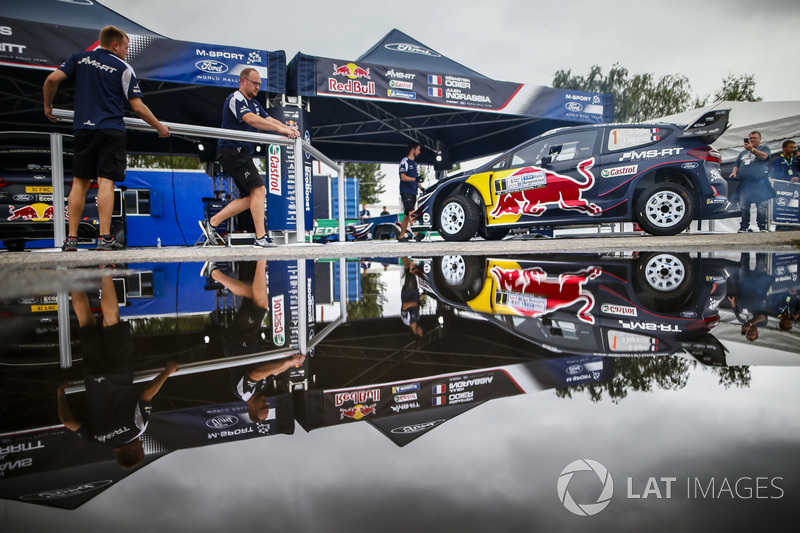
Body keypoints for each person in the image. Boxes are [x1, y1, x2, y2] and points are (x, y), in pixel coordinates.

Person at [43, 25, 170, 251]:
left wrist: (48, 105)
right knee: (106, 182)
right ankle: (104, 237)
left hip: (83, 129)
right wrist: (159, 125)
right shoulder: (123, 67)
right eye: (126, 47)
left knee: (79, 183)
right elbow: (138, 107)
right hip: (110, 130)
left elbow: (52, 80)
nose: (127, 52)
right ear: (115, 45)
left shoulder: (79, 59)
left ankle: (71, 238)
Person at [56, 275, 178, 469]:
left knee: (111, 321)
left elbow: (147, 393)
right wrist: (60, 396)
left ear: (133, 451)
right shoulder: (97, 439)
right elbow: (68, 421)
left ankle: (106, 270)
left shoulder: (136, 430)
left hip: (120, 371)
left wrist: (167, 372)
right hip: (93, 375)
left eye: (141, 449)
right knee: (85, 321)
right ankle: (73, 272)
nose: (143, 445)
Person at [199, 68, 300, 248]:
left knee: (250, 198)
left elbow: (268, 120)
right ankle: (260, 237)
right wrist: (281, 130)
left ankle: (212, 222)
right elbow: (251, 120)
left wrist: (286, 128)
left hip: (241, 153)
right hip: (232, 151)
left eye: (259, 84)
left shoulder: (254, 103)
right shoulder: (235, 98)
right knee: (260, 190)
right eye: (255, 83)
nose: (258, 87)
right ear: (243, 81)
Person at [201, 260, 304, 421]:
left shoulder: (243, 392)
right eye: (267, 406)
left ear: (252, 409)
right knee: (252, 295)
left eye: (262, 407)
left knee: (262, 304)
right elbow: (273, 372)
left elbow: (257, 374)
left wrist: (288, 363)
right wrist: (291, 363)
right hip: (247, 339)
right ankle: (214, 273)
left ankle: (261, 259)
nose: (266, 403)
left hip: (237, 342)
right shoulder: (262, 388)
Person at [730, 131, 773, 232]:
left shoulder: (764, 148)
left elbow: (764, 156)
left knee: (761, 205)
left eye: (754, 138)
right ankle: (744, 226)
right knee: (744, 205)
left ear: (760, 139)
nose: (752, 140)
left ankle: (762, 226)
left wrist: (752, 149)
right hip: (745, 183)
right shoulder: (743, 152)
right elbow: (736, 164)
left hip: (760, 182)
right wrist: (734, 172)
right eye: (751, 138)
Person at [398, 142, 425, 242]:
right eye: (418, 149)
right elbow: (403, 177)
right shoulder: (405, 161)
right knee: (411, 212)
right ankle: (417, 234)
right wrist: (415, 179)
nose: (419, 152)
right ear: (413, 150)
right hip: (406, 191)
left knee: (406, 215)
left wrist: (422, 188)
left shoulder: (415, 164)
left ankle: (401, 237)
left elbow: (416, 179)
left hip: (414, 192)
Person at [400, 257, 424, 337]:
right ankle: (403, 251)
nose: (422, 330)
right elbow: (417, 303)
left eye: (421, 332)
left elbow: (405, 306)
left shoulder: (407, 321)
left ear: (416, 332)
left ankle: (414, 253)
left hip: (408, 292)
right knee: (407, 268)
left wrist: (417, 303)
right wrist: (423, 295)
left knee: (411, 270)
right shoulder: (416, 319)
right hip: (414, 291)